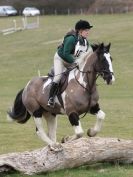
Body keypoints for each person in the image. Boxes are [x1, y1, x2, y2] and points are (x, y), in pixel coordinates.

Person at [47, 19, 93, 107]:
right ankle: (50, 98)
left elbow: (88, 53)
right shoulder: (71, 39)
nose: (88, 32)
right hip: (60, 59)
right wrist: (75, 62)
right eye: (86, 30)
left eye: (88, 30)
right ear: (80, 31)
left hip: (71, 60)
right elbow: (65, 54)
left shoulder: (85, 41)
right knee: (58, 77)